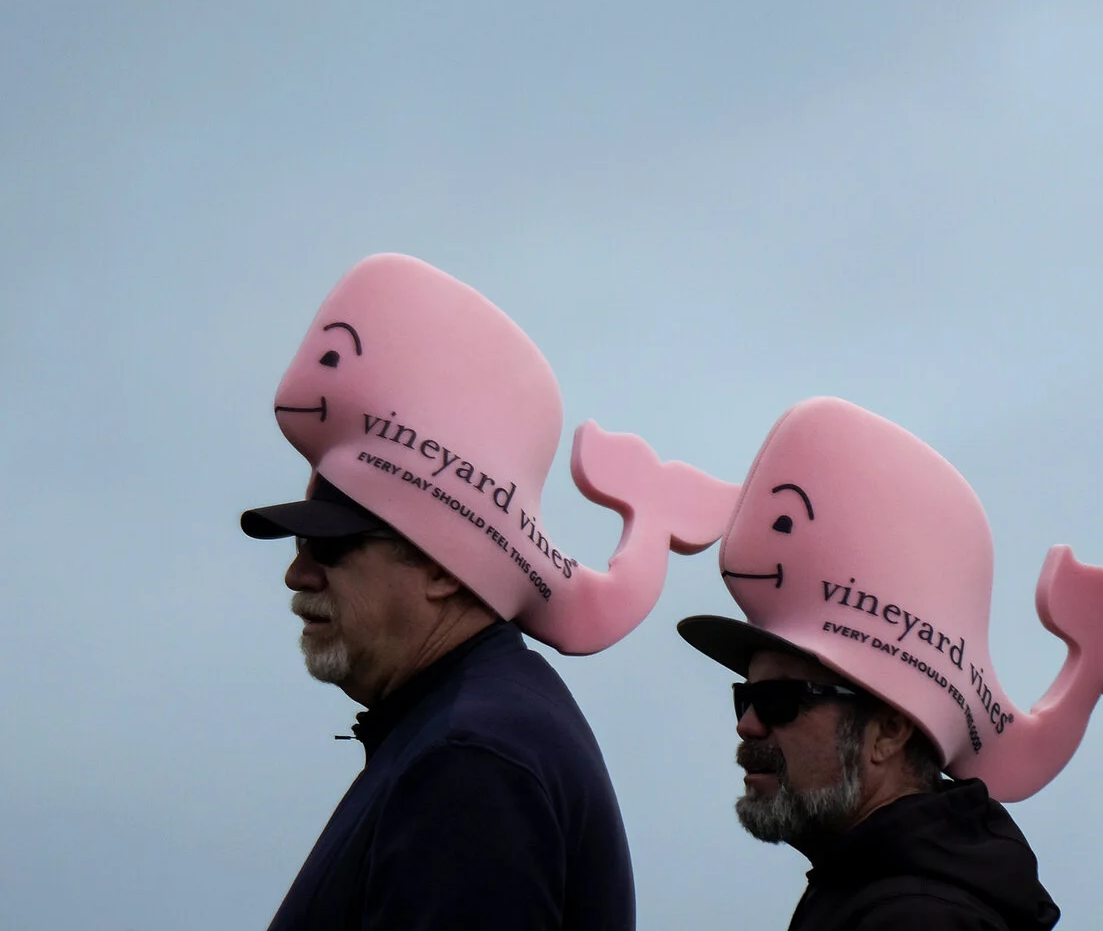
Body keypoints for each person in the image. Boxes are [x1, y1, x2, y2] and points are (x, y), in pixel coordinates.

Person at [243, 253, 739, 930]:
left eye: (331, 545)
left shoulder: (469, 761)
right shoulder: (468, 732)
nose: (298, 574)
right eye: (300, 544)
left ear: (445, 567)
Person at [679, 395, 1103, 930]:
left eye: (779, 700)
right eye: (745, 695)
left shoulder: (914, 920)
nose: (747, 723)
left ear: (889, 732)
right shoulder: (886, 898)